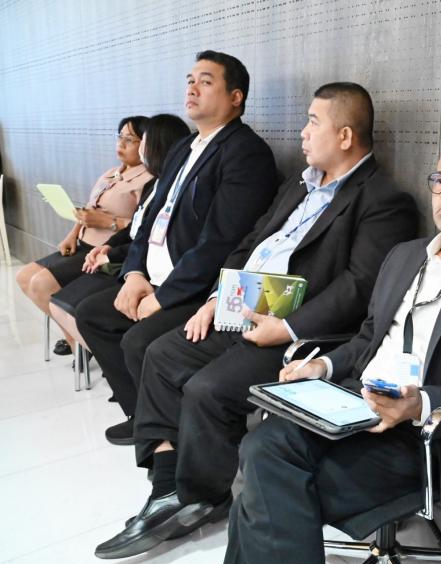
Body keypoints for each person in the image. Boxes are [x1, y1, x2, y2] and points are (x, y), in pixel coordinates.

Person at [215, 136, 441, 564]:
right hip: (352, 406)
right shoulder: (404, 257)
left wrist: (419, 405)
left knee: (261, 489)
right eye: (439, 180)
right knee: (263, 449)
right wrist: (324, 367)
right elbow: (368, 338)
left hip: (425, 437)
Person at [94, 82, 419, 560]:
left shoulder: (383, 200)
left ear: (345, 136)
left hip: (299, 333)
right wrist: (215, 298)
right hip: (243, 308)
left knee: (207, 389)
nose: (303, 132)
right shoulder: (301, 184)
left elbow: (359, 287)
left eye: (313, 122)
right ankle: (166, 488)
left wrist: (287, 328)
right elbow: (251, 242)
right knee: (159, 354)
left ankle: (201, 496)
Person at [76, 50, 278, 444]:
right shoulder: (183, 147)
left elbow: (221, 240)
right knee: (93, 315)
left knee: (139, 341)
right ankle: (144, 415)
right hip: (154, 276)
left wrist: (164, 297)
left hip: (197, 287)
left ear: (235, 97)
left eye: (206, 81)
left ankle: (170, 438)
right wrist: (134, 274)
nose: (192, 88)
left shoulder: (245, 152)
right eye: (190, 81)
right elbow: (149, 217)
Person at [48, 114, 191, 352]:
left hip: (137, 266)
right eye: (120, 137)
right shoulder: (152, 183)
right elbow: (138, 228)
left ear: (159, 146)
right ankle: (91, 352)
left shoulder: (164, 186)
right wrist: (108, 246)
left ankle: (98, 355)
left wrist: (111, 254)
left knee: (86, 312)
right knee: (61, 303)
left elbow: (146, 236)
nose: (125, 145)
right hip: (117, 255)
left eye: (137, 140)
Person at [16, 115, 152, 355]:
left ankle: (78, 343)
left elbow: (144, 227)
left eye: (130, 139)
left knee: (40, 284)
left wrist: (109, 223)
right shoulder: (111, 174)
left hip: (103, 251)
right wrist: (72, 234)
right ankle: (76, 338)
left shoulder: (147, 180)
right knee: (24, 276)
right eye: (119, 137)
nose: (121, 144)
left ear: (146, 144)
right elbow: (89, 209)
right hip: (82, 243)